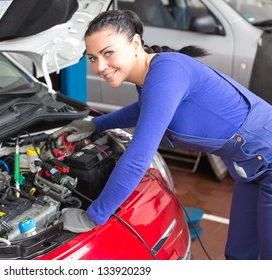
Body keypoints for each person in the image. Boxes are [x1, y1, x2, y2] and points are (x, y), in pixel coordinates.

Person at [53, 9, 272, 260]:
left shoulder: (167, 71)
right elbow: (143, 110)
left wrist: (93, 216)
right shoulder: (152, 75)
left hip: (267, 156)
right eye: (92, 57)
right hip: (249, 166)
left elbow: (138, 157)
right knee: (239, 256)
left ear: (135, 43)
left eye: (108, 53)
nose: (99, 66)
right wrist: (97, 124)